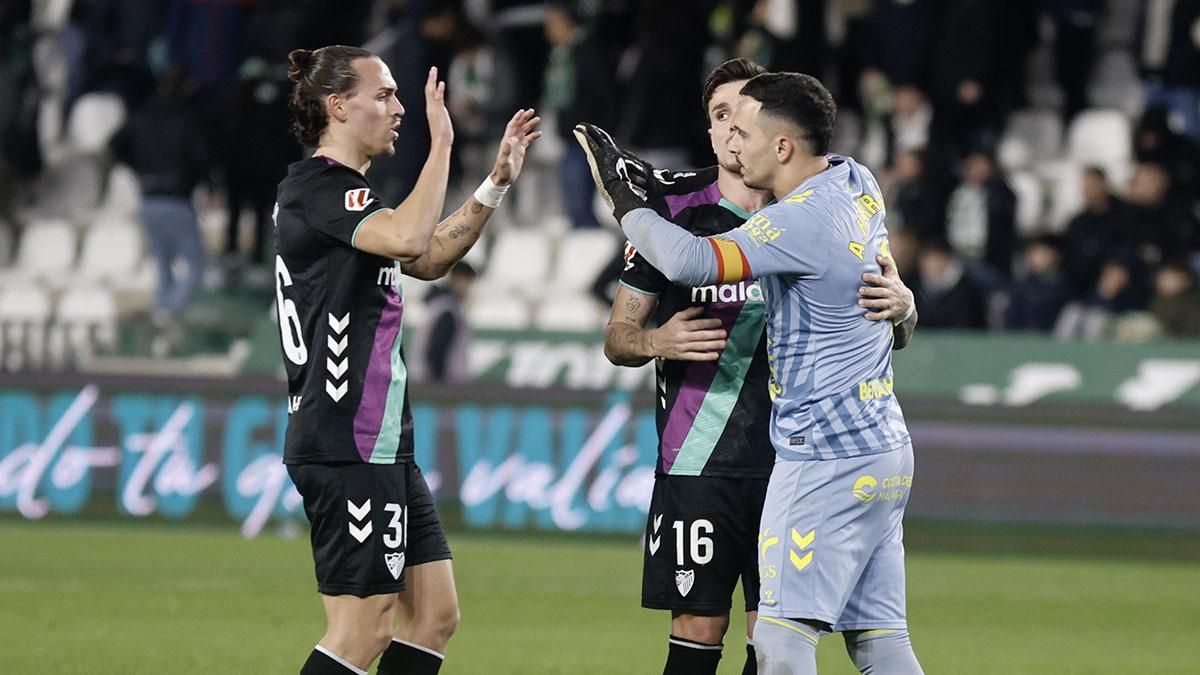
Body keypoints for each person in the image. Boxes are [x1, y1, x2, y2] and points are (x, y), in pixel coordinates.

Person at [576, 71, 922, 674]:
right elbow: (878, 284)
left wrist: (623, 197)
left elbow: (689, 260)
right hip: (882, 450)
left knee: (781, 645)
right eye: (722, 122)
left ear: (782, 146)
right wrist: (907, 303)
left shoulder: (795, 221)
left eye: (748, 129)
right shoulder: (856, 179)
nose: (737, 141)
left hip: (818, 455)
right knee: (880, 644)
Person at [275, 45, 540, 675]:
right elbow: (411, 237)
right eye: (386, 95)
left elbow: (426, 258)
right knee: (360, 631)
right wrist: (441, 142)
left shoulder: (350, 200)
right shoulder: (317, 187)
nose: (399, 108)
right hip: (346, 437)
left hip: (383, 441)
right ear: (337, 106)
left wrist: (496, 181)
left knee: (433, 618)